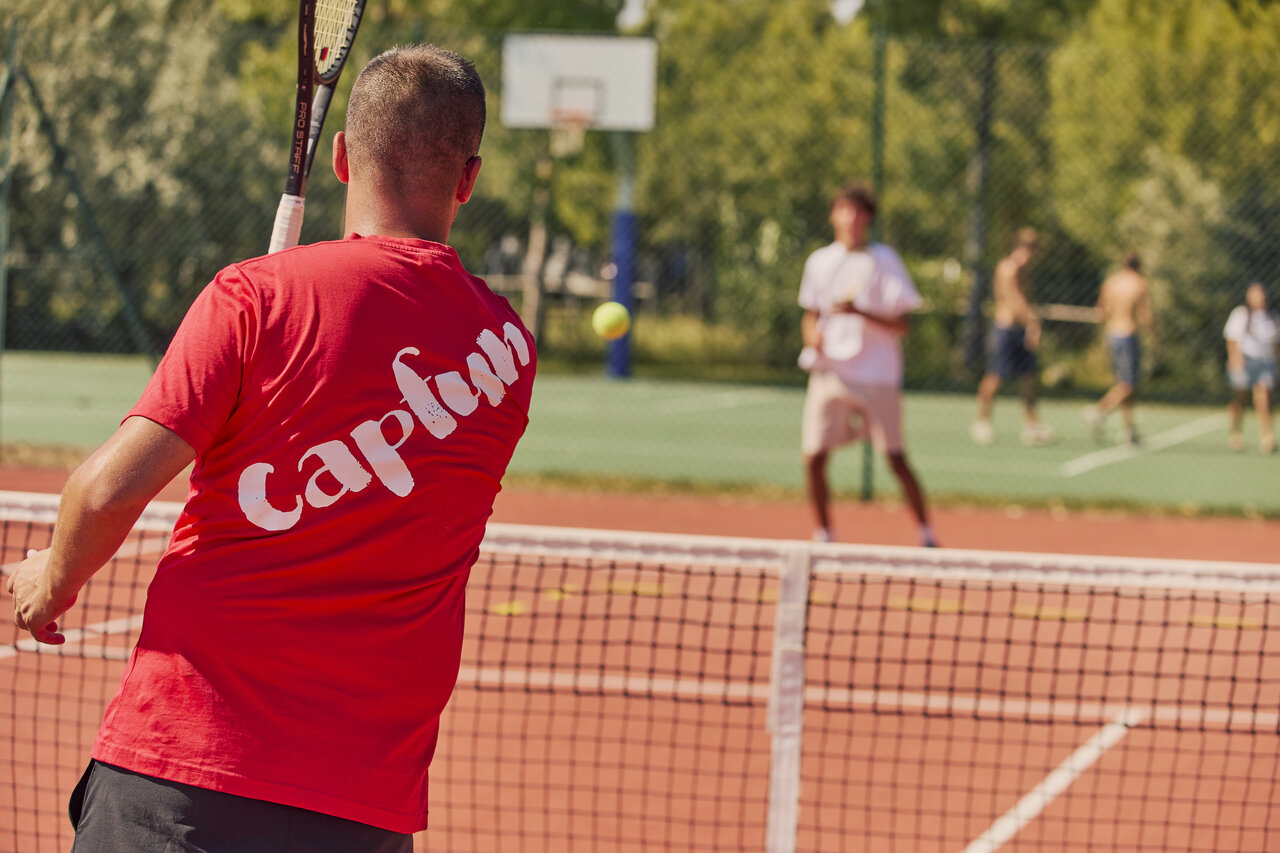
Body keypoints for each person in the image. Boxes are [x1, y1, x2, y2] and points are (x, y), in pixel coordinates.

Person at [5, 44, 535, 852]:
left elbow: (107, 492)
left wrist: (50, 579)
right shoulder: (508, 351)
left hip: (183, 773)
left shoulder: (256, 297)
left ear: (343, 157)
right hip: (362, 807)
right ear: (469, 178)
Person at [798, 181, 937, 548]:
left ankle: (926, 532)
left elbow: (903, 324)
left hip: (877, 376)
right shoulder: (819, 261)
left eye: (859, 212)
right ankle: (824, 534)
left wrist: (860, 312)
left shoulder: (885, 261)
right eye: (844, 209)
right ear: (833, 215)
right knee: (813, 457)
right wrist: (812, 336)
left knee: (895, 459)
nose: (851, 217)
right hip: (830, 373)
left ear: (868, 219)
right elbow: (810, 315)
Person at [970, 228, 1056, 446]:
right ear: (1025, 247)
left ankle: (1031, 425)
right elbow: (1014, 300)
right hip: (1006, 330)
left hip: (1021, 330)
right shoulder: (1009, 269)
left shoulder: (1026, 270)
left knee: (1029, 377)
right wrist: (1032, 323)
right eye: (1034, 250)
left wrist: (1028, 325)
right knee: (995, 376)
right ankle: (981, 422)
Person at [1083, 250, 1154, 445]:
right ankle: (1099, 411)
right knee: (1128, 384)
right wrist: (1155, 335)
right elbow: (1146, 316)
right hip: (1129, 335)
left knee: (1124, 382)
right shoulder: (1139, 283)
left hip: (1111, 335)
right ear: (1139, 265)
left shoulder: (1111, 282)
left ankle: (1128, 430)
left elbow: (1102, 311)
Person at [1224, 282, 1278, 454]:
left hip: (1264, 363)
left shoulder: (1271, 317)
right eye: (1255, 294)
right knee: (1240, 399)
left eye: (1261, 294)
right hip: (1244, 361)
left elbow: (1275, 344)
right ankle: (1235, 431)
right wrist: (1235, 358)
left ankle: (1266, 435)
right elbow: (1231, 339)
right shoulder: (1240, 314)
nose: (1259, 298)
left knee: (1263, 397)